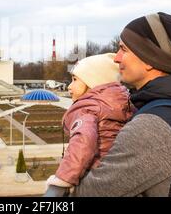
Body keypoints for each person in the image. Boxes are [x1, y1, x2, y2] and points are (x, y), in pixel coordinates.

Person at [72, 12, 171, 197]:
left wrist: (73, 165)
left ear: (149, 58)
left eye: (124, 49)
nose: (116, 58)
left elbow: (89, 194)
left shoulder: (152, 126)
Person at [46, 53, 135, 192]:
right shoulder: (123, 103)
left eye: (75, 80)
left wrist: (63, 178)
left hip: (96, 178)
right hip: (120, 174)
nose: (69, 86)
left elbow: (83, 140)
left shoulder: (88, 109)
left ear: (93, 82)